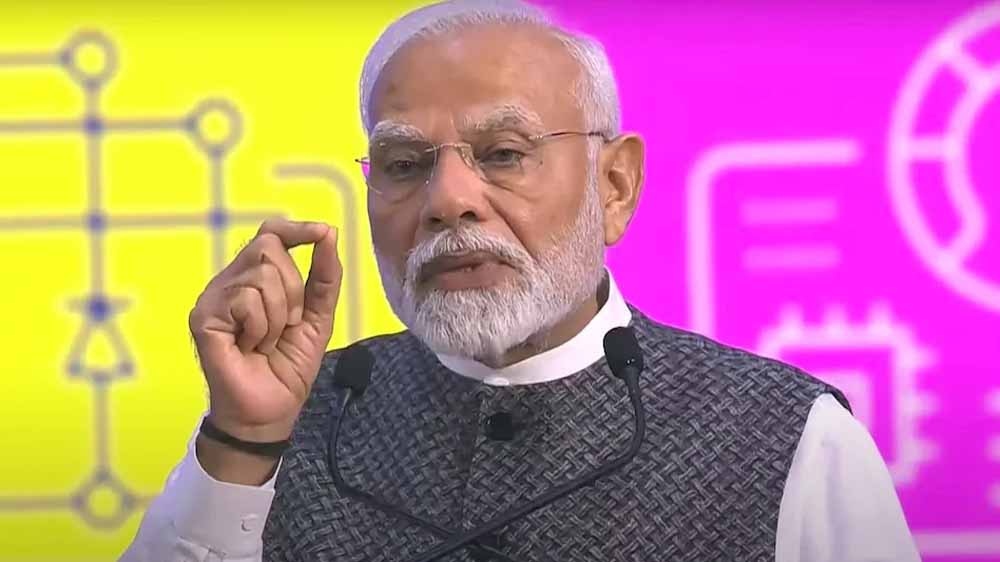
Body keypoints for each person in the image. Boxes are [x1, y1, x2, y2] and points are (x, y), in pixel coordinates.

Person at [120, 1, 921, 561]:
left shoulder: (783, 439)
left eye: (503, 154)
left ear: (614, 186)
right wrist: (244, 440)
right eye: (403, 164)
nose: (447, 200)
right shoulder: (294, 423)